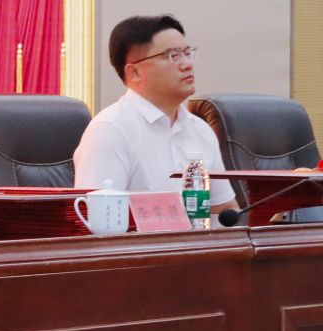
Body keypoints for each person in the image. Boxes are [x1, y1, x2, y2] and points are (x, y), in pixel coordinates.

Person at [72, 14, 234, 213]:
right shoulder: (109, 130)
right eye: (172, 56)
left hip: (198, 235)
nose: (187, 64)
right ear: (135, 72)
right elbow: (95, 217)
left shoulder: (200, 130)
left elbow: (225, 209)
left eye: (187, 53)